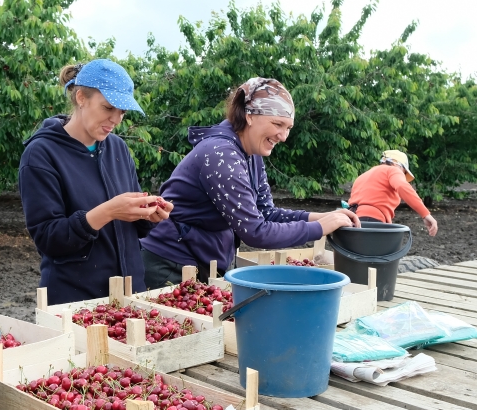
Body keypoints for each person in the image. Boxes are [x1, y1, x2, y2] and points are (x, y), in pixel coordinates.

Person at [140, 77, 359, 289]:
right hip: (170, 263)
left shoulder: (251, 155)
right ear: (250, 116)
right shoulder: (221, 154)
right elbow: (256, 231)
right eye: (278, 124)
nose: (283, 136)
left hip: (201, 259)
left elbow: (265, 212)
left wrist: (321, 217)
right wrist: (319, 228)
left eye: (289, 127)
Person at [18, 59, 172, 305]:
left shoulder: (117, 148)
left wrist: (147, 215)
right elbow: (48, 237)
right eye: (108, 108)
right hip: (75, 301)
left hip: (129, 296)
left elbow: (130, 228)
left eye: (122, 112)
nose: (116, 119)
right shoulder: (41, 154)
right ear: (81, 98)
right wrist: (108, 211)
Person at [347, 150, 438, 236]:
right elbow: (402, 186)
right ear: (397, 165)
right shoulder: (393, 170)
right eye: (404, 172)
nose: (402, 175)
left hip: (351, 221)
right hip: (372, 220)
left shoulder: (363, 176)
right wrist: (425, 214)